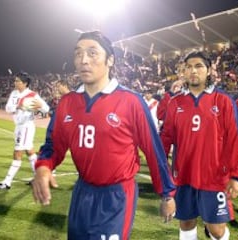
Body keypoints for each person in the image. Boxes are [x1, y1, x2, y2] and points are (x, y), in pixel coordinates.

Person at [32, 30, 176, 240]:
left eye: (92, 53)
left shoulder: (131, 102)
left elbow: (154, 151)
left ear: (110, 60)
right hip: (82, 192)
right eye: (78, 54)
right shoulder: (67, 103)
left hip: (116, 195)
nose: (83, 60)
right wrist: (44, 168)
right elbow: (53, 145)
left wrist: (167, 194)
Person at [160, 51, 238, 240]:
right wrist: (162, 174)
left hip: (215, 176)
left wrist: (236, 176)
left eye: (198, 66)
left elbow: (236, 140)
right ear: (183, 72)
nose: (193, 71)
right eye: (188, 67)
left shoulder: (223, 101)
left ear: (208, 71)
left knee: (216, 230)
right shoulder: (175, 103)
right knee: (186, 222)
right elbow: (165, 139)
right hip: (183, 175)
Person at [0, 72, 50, 190]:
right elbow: (8, 108)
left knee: (17, 152)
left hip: (26, 127)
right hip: (18, 126)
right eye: (15, 80)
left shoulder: (32, 95)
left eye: (17, 81)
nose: (15, 82)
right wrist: (18, 106)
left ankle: (7, 182)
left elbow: (46, 108)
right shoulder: (14, 93)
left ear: (25, 83)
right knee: (30, 152)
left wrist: (40, 106)